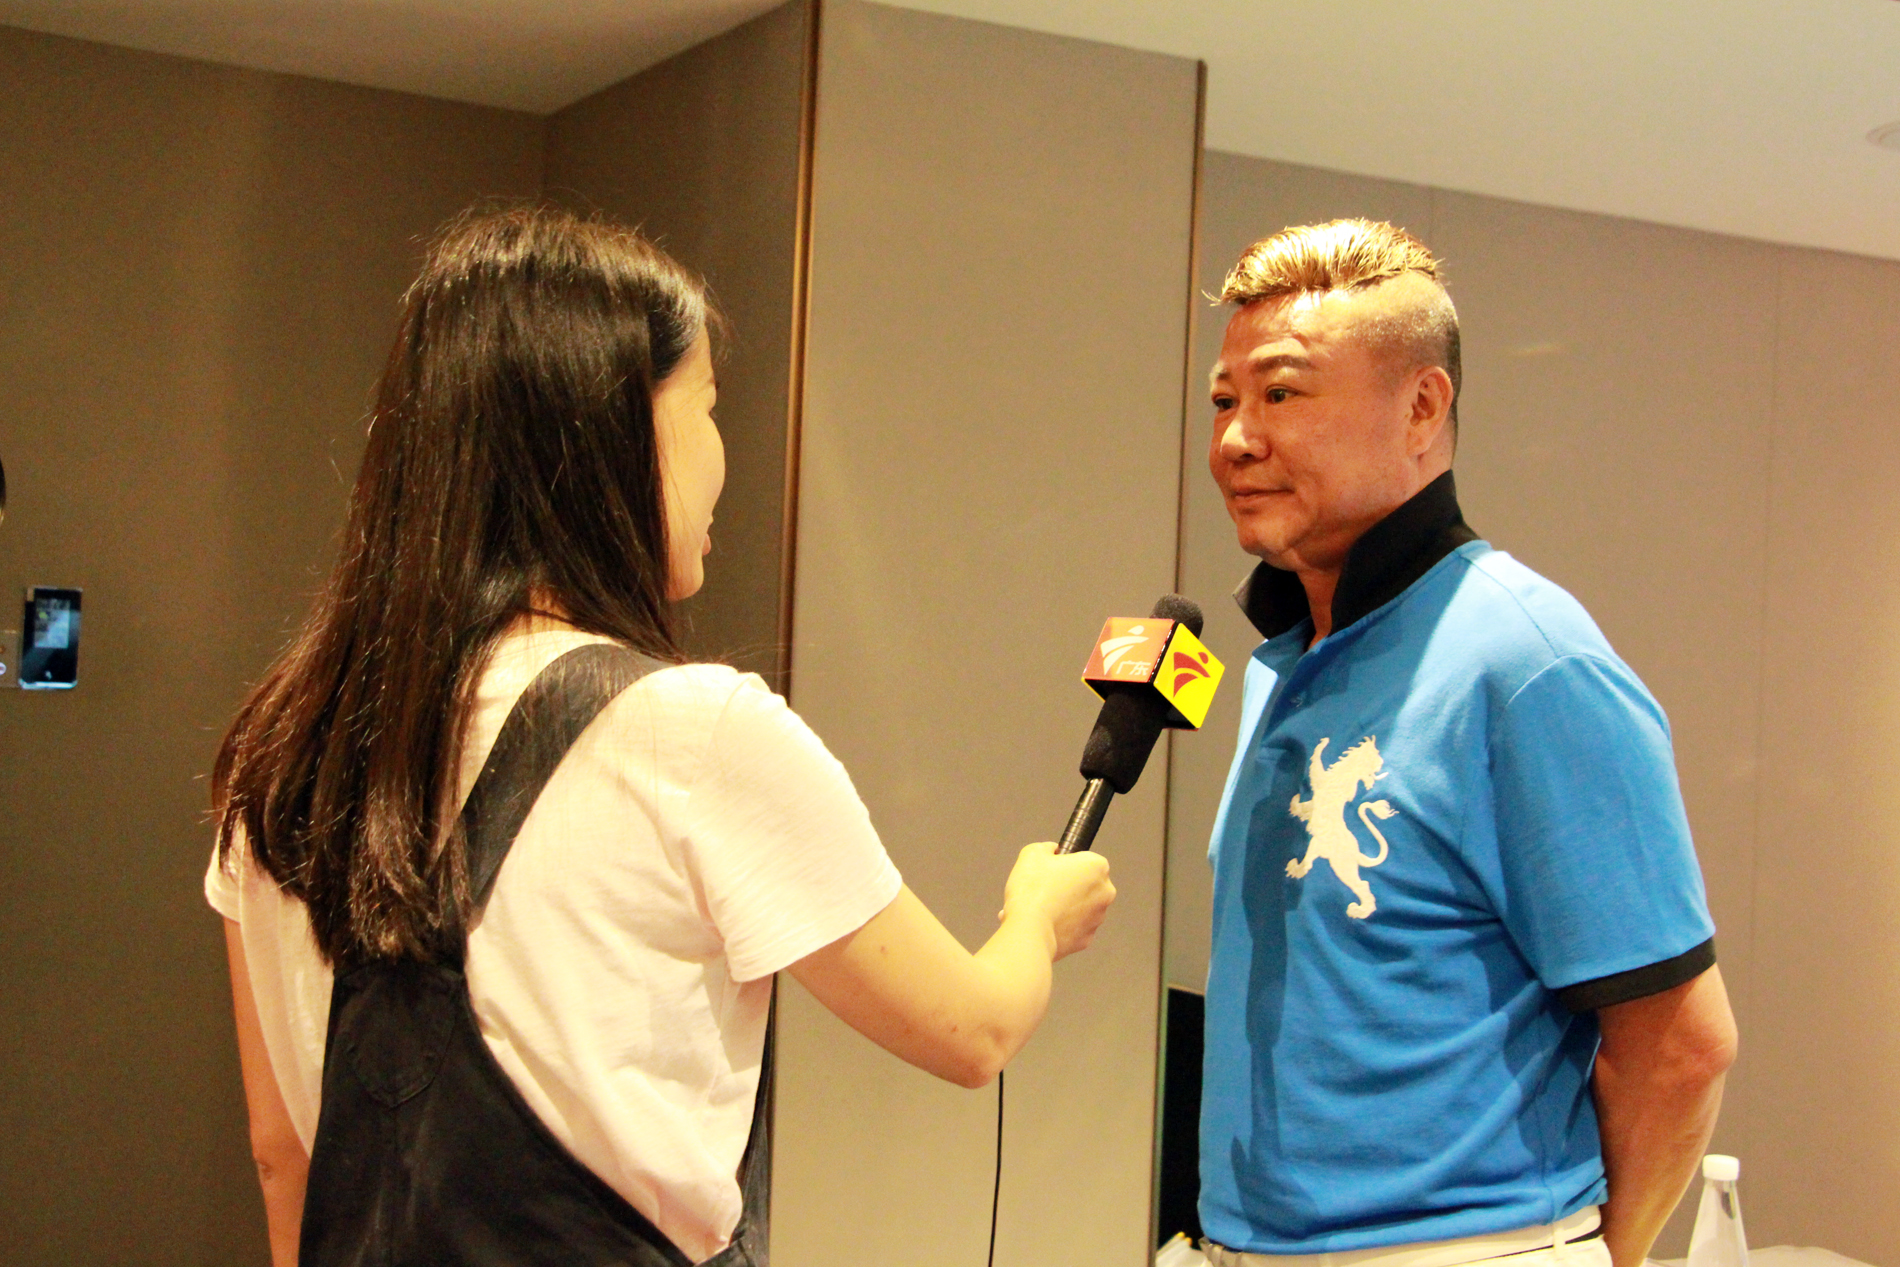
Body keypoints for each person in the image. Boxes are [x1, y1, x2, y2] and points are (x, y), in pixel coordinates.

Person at [206, 205, 1115, 1267]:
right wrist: (1037, 918)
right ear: (618, 428)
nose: (722, 454)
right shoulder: (691, 734)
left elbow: (283, 1153)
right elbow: (971, 1030)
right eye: (707, 407)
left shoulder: (285, 753)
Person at [1196, 219, 1737, 1267]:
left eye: (1282, 393)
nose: (1236, 439)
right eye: (1224, 400)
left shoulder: (1527, 660)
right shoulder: (1285, 662)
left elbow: (1680, 1046)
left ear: (1422, 407)